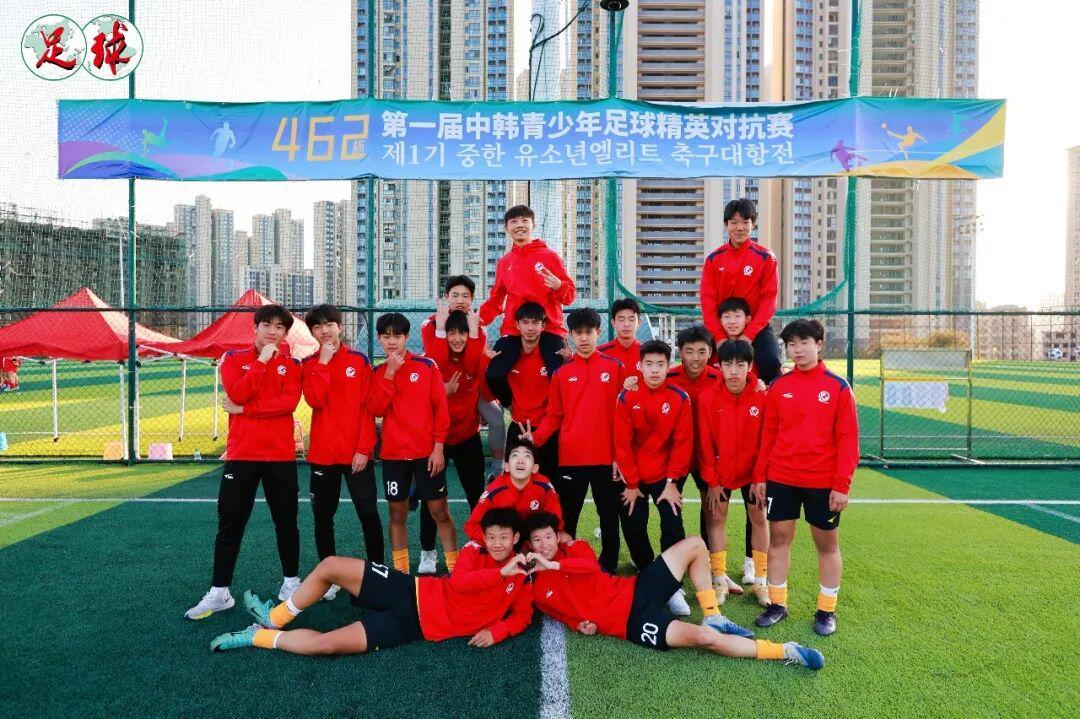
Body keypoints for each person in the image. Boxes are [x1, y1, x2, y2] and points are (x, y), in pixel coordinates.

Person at [210, 508, 534, 656]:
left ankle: (256, 636)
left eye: (504, 537)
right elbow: (461, 583)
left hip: (413, 628)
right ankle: (275, 617)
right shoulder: (473, 551)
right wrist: (499, 573)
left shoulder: (522, 576)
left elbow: (522, 616)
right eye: (492, 537)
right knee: (330, 565)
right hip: (409, 589)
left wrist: (497, 631)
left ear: (516, 538)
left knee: (326, 645)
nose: (497, 543)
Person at [524, 513, 822, 670]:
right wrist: (578, 624)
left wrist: (553, 564)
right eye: (537, 540)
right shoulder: (538, 590)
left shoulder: (576, 549)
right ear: (530, 546)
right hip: (630, 623)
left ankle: (712, 614)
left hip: (637, 588)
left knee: (695, 544)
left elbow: (588, 568)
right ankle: (784, 650)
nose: (544, 544)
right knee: (705, 639)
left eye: (548, 537)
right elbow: (560, 613)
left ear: (557, 537)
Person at [185, 305, 303, 620]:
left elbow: (288, 404)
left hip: (280, 456)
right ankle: (220, 592)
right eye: (267, 325)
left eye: (280, 327)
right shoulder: (233, 359)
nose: (273, 332)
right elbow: (237, 393)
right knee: (230, 524)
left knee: (286, 522)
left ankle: (291, 584)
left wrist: (246, 410)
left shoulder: (292, 364)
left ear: (285, 333)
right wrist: (261, 362)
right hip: (242, 455)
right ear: (256, 327)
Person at [752, 319, 859, 636]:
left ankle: (826, 611)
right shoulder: (779, 386)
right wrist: (760, 477)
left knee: (827, 546)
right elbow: (768, 435)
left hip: (822, 482)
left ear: (819, 345)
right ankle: (777, 605)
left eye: (804, 343)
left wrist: (841, 485)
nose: (797, 350)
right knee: (778, 540)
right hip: (782, 477)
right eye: (791, 344)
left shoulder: (838, 387)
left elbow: (848, 441)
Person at [524, 308, 625, 573]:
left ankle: (608, 567)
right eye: (578, 333)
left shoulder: (615, 368)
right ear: (570, 335)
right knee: (568, 517)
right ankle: (566, 566)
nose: (583, 338)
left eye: (588, 332)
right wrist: (534, 439)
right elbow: (554, 416)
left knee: (608, 515)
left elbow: (623, 417)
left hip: (606, 459)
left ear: (598, 333)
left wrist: (620, 455)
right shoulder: (561, 374)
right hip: (571, 459)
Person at [301, 304, 382, 601]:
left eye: (329, 324)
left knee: (368, 514)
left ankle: (377, 575)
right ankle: (329, 578)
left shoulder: (359, 361)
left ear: (339, 326)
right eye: (317, 326)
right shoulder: (309, 364)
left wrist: (363, 449)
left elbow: (368, 409)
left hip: (357, 455)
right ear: (312, 332)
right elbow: (315, 400)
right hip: (324, 456)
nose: (324, 331)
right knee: (323, 518)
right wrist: (323, 363)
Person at [366, 313, 456, 575]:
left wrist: (438, 447)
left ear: (406, 337)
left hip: (426, 453)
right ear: (379, 339)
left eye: (397, 335)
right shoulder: (378, 372)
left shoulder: (426, 366)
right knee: (397, 513)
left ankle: (455, 569)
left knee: (439, 511)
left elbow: (441, 410)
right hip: (394, 455)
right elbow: (376, 409)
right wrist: (390, 374)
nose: (392, 341)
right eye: (386, 336)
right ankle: (401, 573)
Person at [666, 326, 749, 594]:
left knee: (711, 512)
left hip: (708, 457)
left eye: (702, 351)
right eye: (689, 351)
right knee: (671, 512)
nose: (696, 358)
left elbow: (747, 383)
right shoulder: (668, 377)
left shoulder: (718, 377)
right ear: (680, 352)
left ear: (711, 353)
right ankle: (675, 572)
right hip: (675, 457)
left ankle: (715, 572)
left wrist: (759, 383)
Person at [614, 340, 694, 616]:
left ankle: (672, 584)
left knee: (672, 523)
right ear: (640, 366)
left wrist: (672, 483)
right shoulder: (627, 397)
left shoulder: (679, 398)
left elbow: (683, 443)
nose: (655, 370)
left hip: (665, 475)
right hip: (633, 477)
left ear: (668, 366)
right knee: (633, 524)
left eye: (660, 364)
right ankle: (648, 570)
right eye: (649, 364)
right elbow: (622, 443)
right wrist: (631, 484)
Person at [417, 309, 492, 574]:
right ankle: (428, 551)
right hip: (436, 440)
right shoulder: (431, 362)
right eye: (451, 332)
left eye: (462, 332)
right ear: (443, 334)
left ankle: (481, 548)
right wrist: (443, 391)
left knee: (477, 496)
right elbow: (418, 402)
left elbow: (489, 392)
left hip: (467, 436)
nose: (457, 338)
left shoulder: (476, 360)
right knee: (431, 498)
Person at [696, 340, 770, 607]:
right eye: (728, 364)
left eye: (741, 364)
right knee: (716, 519)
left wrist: (760, 478)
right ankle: (719, 580)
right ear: (720, 366)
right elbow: (704, 444)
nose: (734, 371)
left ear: (750, 366)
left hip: (753, 472)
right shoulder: (707, 398)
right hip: (721, 472)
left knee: (759, 518)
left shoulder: (763, 396)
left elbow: (767, 441)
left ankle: (761, 581)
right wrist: (712, 481)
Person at [482, 205, 574, 409]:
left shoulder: (549, 257)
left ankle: (554, 416)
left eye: (524, 220)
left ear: (533, 225)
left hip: (549, 328)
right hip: (514, 330)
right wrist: (477, 320)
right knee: (494, 373)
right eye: (513, 221)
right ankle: (513, 408)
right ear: (506, 228)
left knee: (558, 374)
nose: (519, 225)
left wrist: (559, 286)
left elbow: (569, 296)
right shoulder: (505, 262)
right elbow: (495, 300)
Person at [421, 274, 506, 478]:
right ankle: (417, 479)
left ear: (472, 299)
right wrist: (441, 330)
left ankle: (498, 470)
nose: (460, 300)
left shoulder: (479, 326)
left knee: (496, 418)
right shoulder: (430, 324)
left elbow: (471, 366)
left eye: (465, 296)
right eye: (455, 295)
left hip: (469, 387)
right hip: (440, 389)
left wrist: (474, 333)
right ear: (446, 297)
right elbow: (437, 363)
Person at [699, 198, 782, 383]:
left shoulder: (766, 257)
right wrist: (719, 337)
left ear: (753, 224)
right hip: (720, 327)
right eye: (734, 222)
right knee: (695, 358)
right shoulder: (713, 259)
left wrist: (748, 335)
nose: (740, 228)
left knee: (771, 361)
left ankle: (771, 398)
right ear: (726, 224)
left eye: (745, 222)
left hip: (756, 327)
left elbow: (769, 300)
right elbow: (707, 299)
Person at [463, 437, 566, 544]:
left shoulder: (544, 486)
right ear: (506, 466)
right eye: (515, 455)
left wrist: (551, 535)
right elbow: (472, 526)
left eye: (527, 456)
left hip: (533, 536)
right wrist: (495, 541)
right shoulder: (494, 490)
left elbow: (556, 520)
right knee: (472, 547)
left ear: (535, 468)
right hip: (504, 538)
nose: (520, 461)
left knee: (564, 539)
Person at [503, 302, 559, 479]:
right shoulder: (508, 356)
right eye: (525, 322)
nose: (530, 328)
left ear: (543, 326)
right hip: (518, 427)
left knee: (549, 484)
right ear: (517, 325)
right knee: (514, 482)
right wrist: (507, 403)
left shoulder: (553, 357)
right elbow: (490, 383)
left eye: (535, 323)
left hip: (547, 428)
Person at [598, 298, 643, 385]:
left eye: (631, 319)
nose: (626, 324)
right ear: (613, 323)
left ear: (639, 323)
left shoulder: (648, 353)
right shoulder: (600, 353)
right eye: (621, 320)